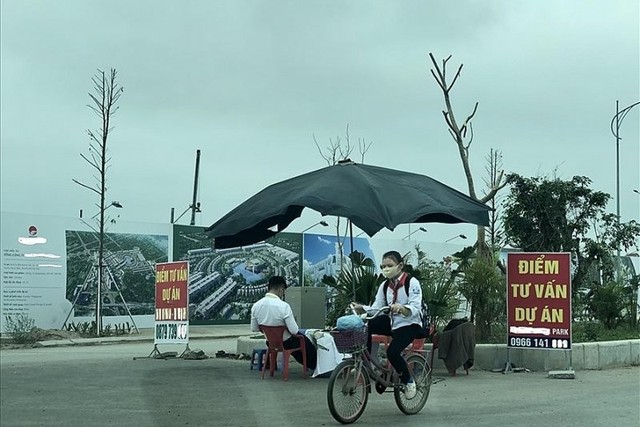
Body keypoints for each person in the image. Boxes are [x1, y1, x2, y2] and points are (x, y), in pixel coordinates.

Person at [352, 250, 422, 399]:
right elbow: (377, 308)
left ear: (400, 266)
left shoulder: (412, 282)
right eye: (383, 266)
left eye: (389, 265)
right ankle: (367, 363)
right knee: (367, 325)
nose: (386, 269)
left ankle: (408, 381)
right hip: (392, 322)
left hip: (409, 324)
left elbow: (416, 309)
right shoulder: (384, 285)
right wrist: (362, 308)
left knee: (392, 352)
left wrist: (403, 308)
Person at [251, 276, 317, 371]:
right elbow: (294, 330)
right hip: (286, 343)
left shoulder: (256, 306)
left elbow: (254, 329)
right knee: (305, 342)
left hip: (270, 342)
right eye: (283, 291)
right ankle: (315, 366)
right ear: (281, 289)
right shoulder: (284, 306)